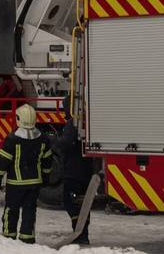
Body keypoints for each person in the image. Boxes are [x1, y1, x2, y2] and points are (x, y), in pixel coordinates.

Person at [0, 103, 53, 244]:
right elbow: (47, 162)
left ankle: (9, 237)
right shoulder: (43, 138)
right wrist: (45, 178)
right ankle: (27, 238)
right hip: (34, 184)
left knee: (11, 210)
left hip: (15, 184)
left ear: (19, 118)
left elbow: (3, 161)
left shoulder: (12, 139)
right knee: (29, 211)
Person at [55, 96, 92, 245]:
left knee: (70, 202)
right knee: (83, 203)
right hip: (86, 170)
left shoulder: (72, 124)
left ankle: (79, 234)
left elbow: (65, 144)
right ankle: (83, 233)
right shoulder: (86, 121)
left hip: (73, 171)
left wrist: (52, 140)